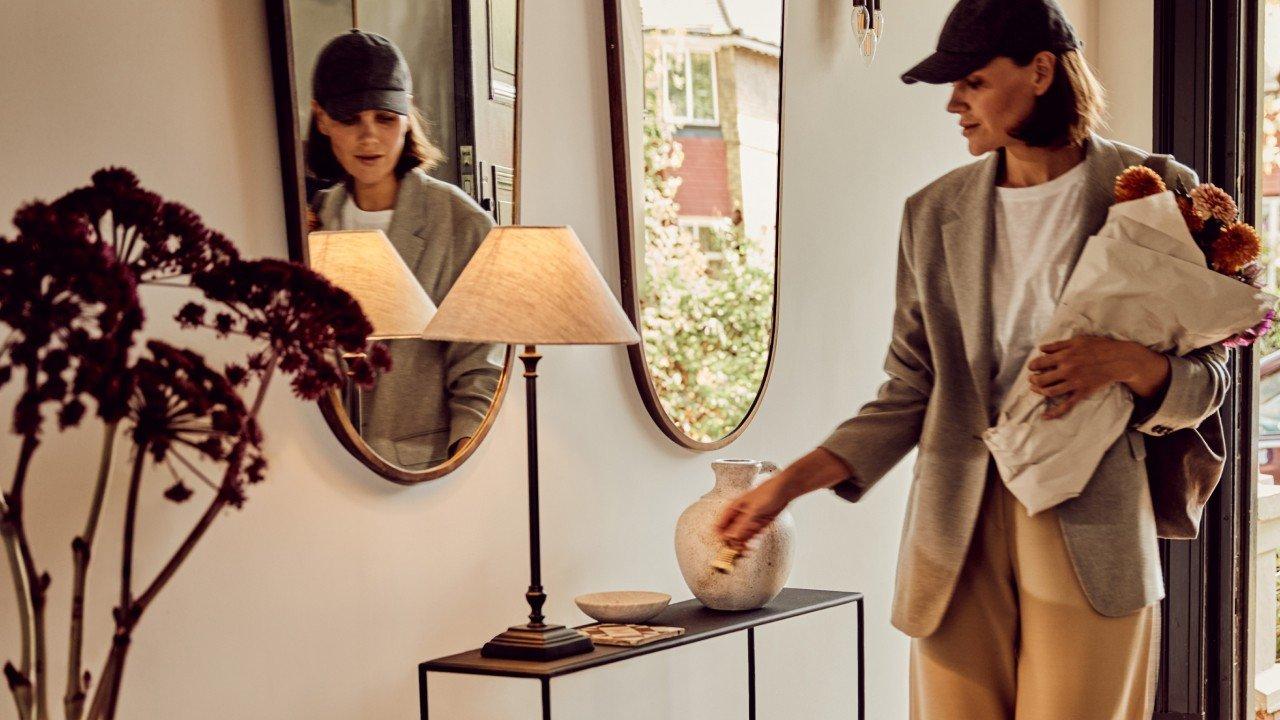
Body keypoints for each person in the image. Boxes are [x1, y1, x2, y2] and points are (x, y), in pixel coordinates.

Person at [714, 1, 1229, 717]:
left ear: (1042, 71)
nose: (953, 103)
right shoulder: (933, 214)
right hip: (955, 528)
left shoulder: (1151, 190)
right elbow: (911, 388)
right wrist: (784, 487)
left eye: (973, 82)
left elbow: (1211, 377)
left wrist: (1124, 363)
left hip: (1090, 522)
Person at [305, 30, 503, 469]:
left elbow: (480, 369)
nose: (369, 136)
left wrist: (456, 469)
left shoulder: (462, 225)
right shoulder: (309, 223)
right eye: (350, 119)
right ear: (321, 119)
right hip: (318, 469)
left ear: (407, 116)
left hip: (421, 473)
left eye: (385, 117)